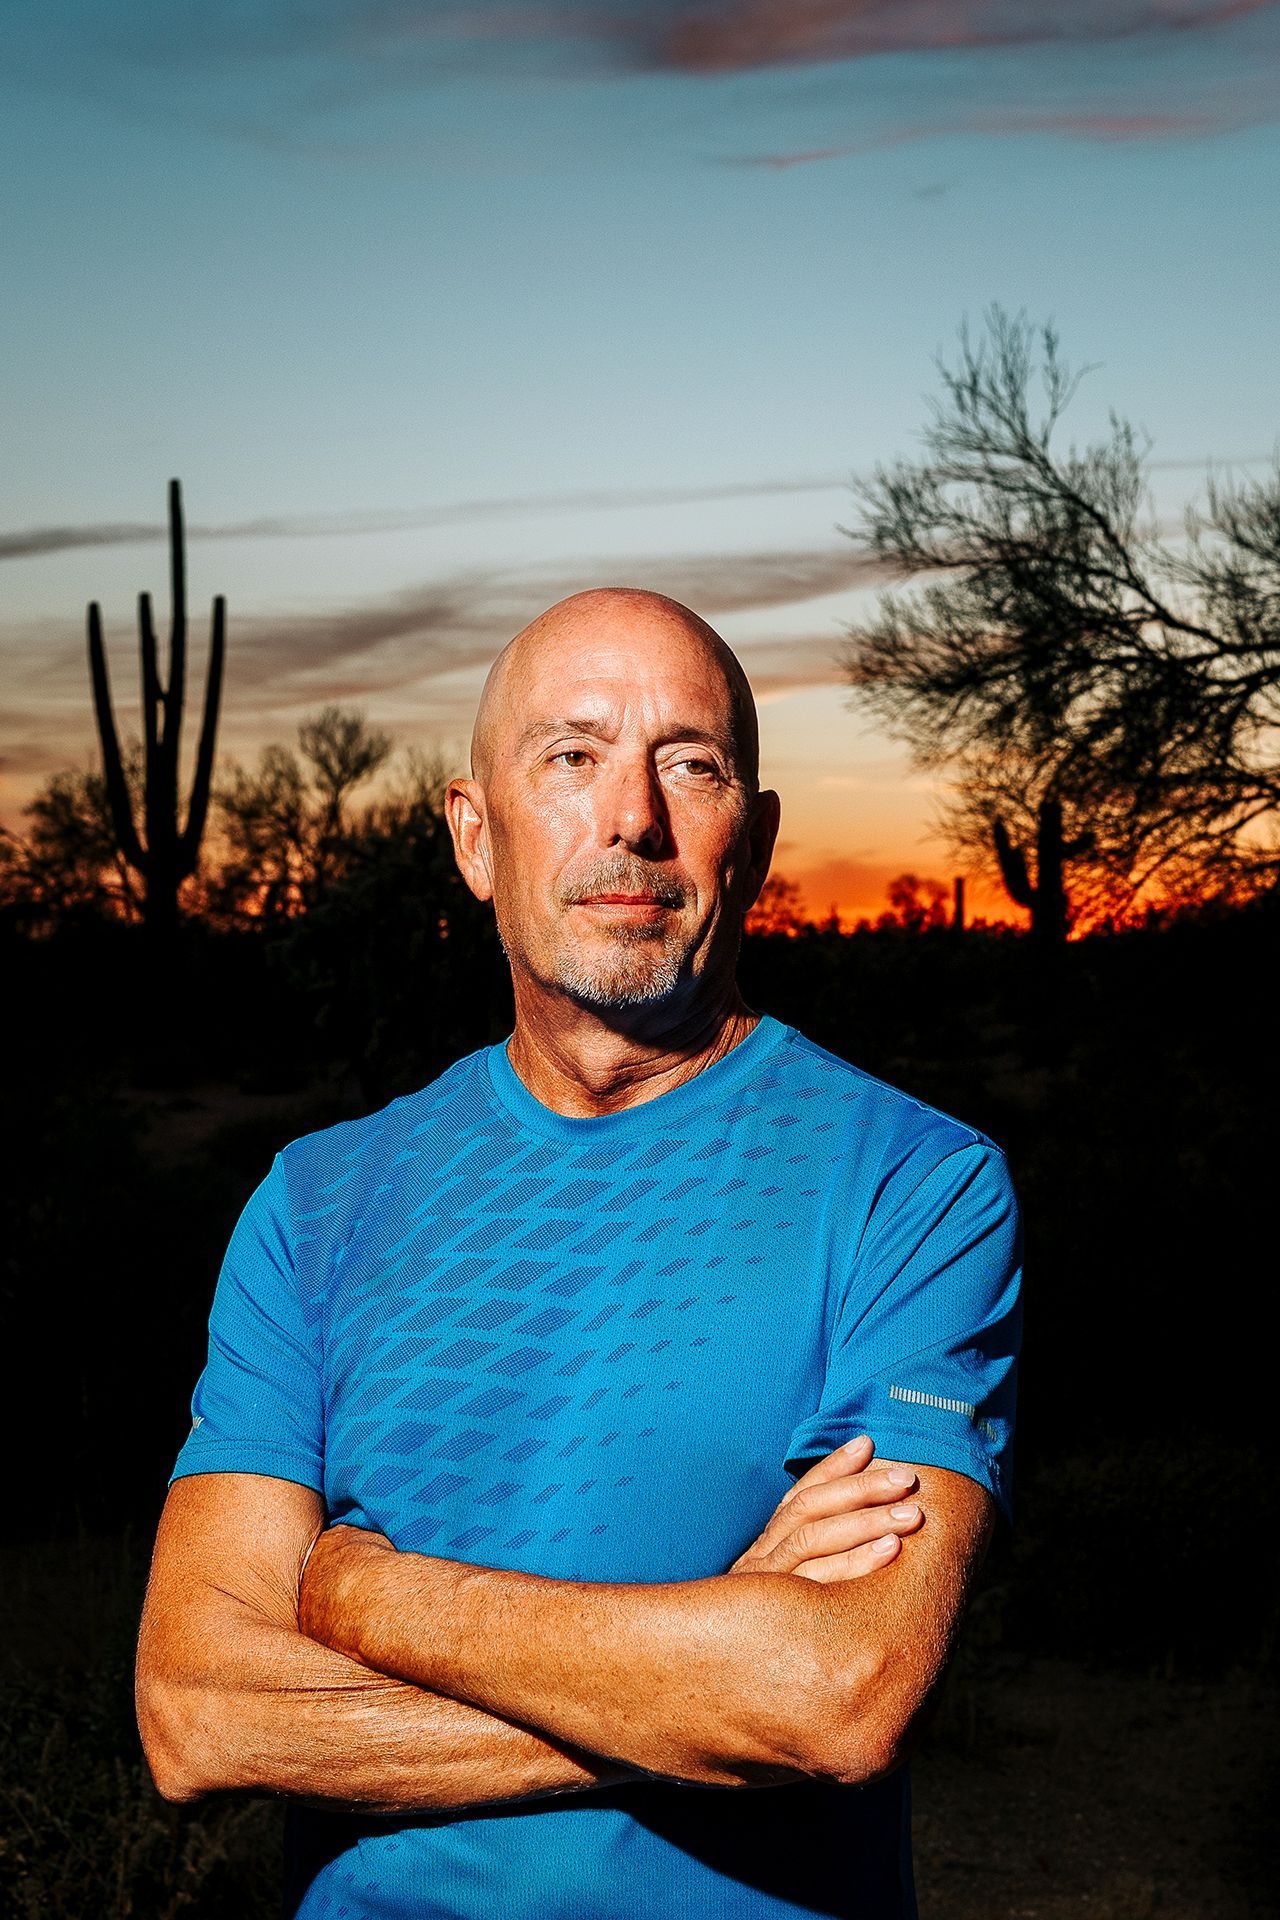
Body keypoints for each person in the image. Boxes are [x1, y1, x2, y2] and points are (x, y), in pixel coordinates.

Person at [136, 588, 1022, 1920]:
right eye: (573, 756)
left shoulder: (910, 1183)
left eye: (692, 763)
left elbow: (839, 1695)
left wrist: (359, 1591)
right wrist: (707, 1677)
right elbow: (199, 1712)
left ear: (757, 839)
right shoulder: (315, 1203)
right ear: (475, 837)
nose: (631, 820)